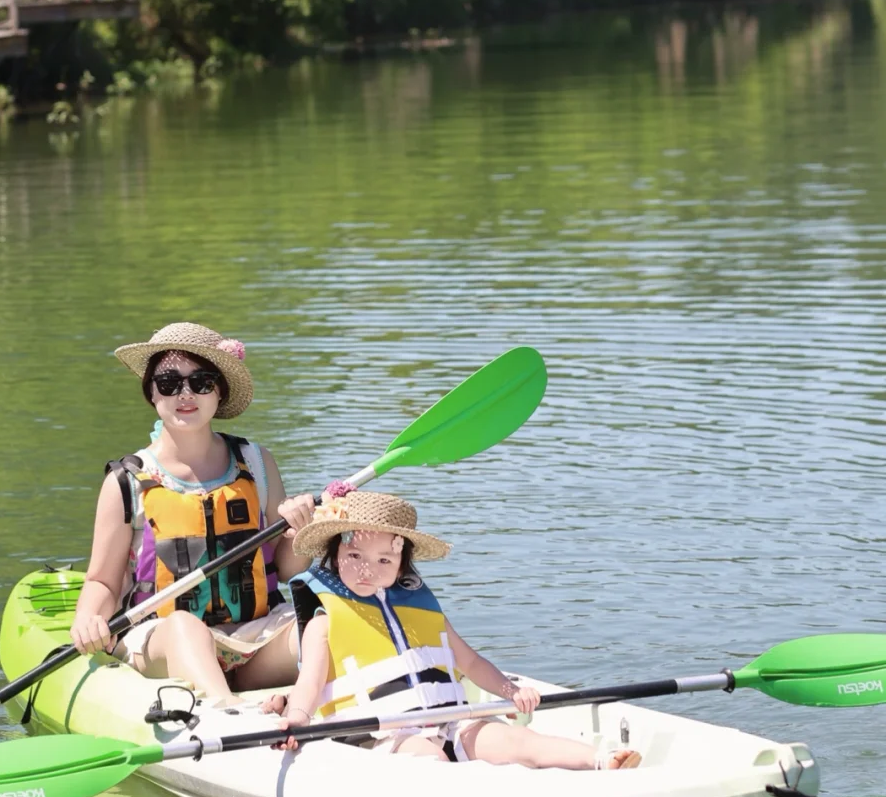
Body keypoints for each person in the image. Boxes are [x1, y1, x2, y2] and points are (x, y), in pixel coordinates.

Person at [271, 490, 641, 768]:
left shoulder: (422, 611)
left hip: (452, 721)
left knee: (517, 740)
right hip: (384, 734)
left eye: (384, 559)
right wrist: (297, 719)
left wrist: (511, 691)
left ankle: (600, 759)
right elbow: (310, 683)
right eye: (355, 557)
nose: (368, 570)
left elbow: (471, 663)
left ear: (401, 565)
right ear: (335, 556)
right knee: (430, 758)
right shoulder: (325, 621)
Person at [70, 321, 316, 698]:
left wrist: (300, 533)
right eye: (169, 382)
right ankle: (226, 710)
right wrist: (87, 618)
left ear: (219, 391)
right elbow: (102, 580)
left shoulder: (257, 463)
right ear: (152, 392)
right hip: (163, 637)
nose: (185, 394)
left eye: (201, 382)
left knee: (321, 624)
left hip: (257, 634)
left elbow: (286, 569)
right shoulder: (126, 481)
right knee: (186, 627)